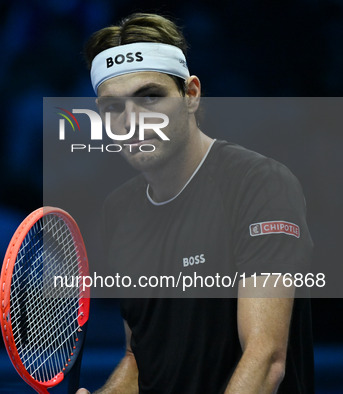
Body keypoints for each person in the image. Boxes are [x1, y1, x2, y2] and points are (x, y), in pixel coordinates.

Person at [77, 13, 314, 393]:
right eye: (113, 108)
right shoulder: (118, 211)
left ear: (191, 94)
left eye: (149, 97)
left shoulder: (260, 184)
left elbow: (266, 358)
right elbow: (140, 358)